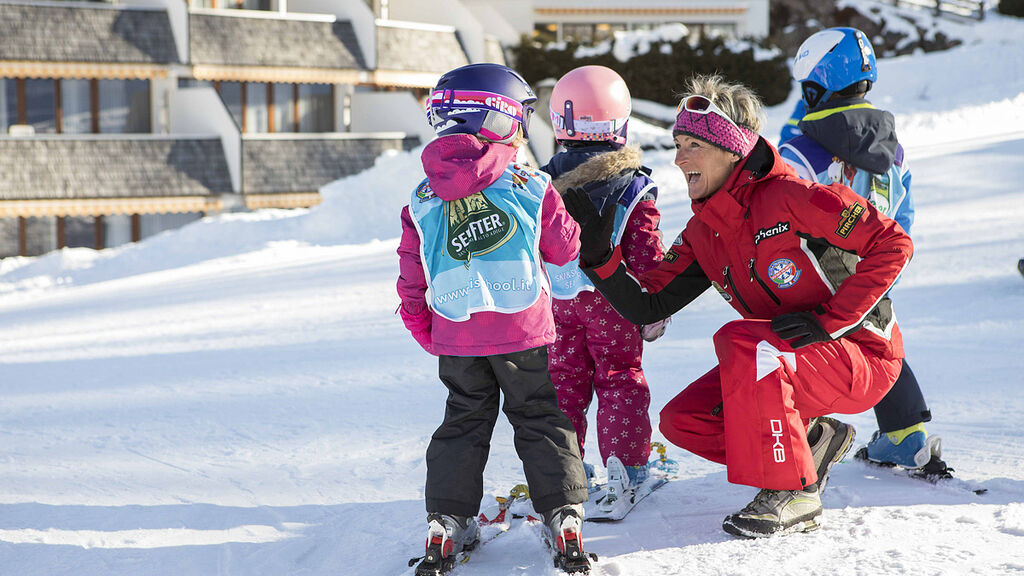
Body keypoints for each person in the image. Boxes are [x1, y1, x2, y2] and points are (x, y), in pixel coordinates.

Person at [561, 73, 914, 538]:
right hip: (788, 357)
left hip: (861, 354)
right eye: (677, 143)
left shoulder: (794, 197)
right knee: (684, 421)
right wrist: (600, 258)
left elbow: (892, 243)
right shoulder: (705, 230)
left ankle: (793, 493)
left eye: (693, 145)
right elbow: (648, 304)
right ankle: (811, 444)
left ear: (731, 149)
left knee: (741, 340)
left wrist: (830, 322)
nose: (678, 157)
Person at [396, 63, 591, 574]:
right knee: (539, 416)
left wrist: (424, 327)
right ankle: (563, 513)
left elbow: (412, 275)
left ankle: (448, 520)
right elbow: (565, 246)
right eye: (521, 117)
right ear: (500, 119)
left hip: (457, 333)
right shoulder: (528, 182)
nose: (524, 129)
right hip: (521, 327)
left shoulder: (422, 197)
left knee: (464, 419)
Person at [779, 27, 947, 475]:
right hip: (874, 269)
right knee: (877, 339)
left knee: (797, 346)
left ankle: (803, 438)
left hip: (811, 271)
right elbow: (902, 214)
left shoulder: (800, 152)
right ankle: (904, 434)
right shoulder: (893, 150)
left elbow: (775, 212)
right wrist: (884, 264)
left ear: (814, 86)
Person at [540, 65, 666, 500]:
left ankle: (562, 469)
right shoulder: (632, 185)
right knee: (620, 377)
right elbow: (646, 251)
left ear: (559, 121)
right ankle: (626, 466)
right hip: (613, 299)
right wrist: (655, 304)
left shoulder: (539, 183)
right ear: (621, 123)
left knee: (562, 381)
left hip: (557, 302)